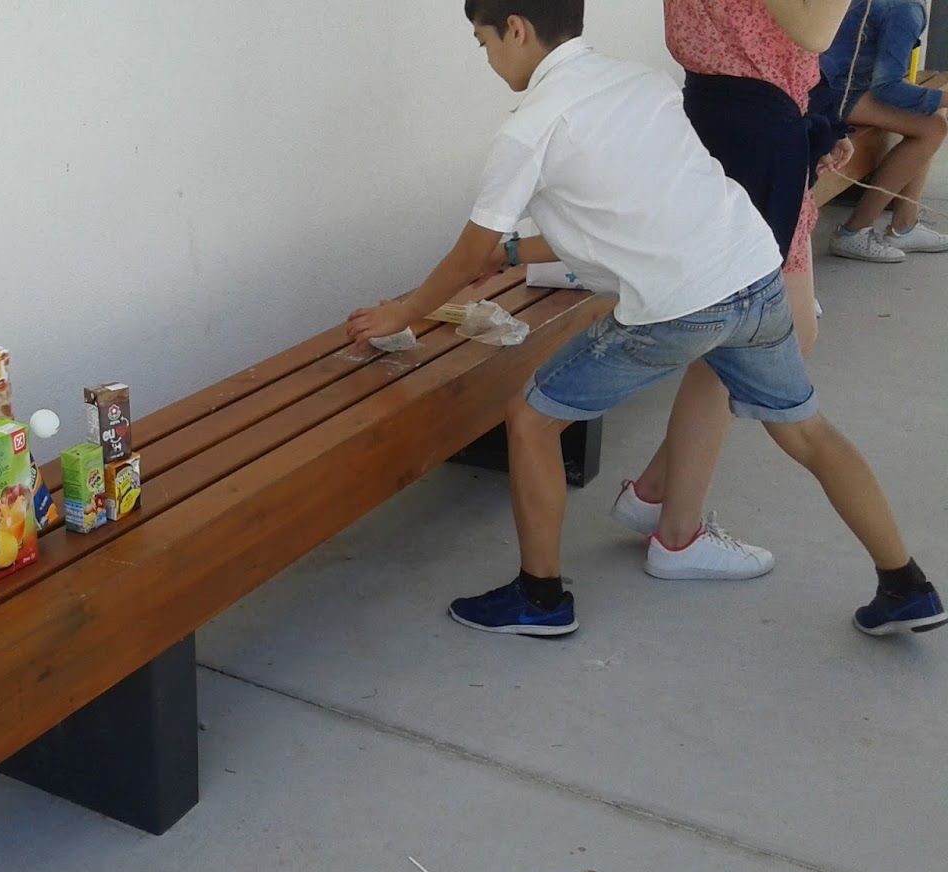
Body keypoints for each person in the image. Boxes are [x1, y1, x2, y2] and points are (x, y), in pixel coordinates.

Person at [344, 0, 945, 639]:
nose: (488, 59)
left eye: (483, 42)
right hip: (753, 274)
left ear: (515, 29)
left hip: (683, 305)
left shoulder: (530, 129)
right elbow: (620, 221)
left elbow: (468, 255)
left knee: (531, 418)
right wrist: (513, 254)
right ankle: (905, 584)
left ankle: (540, 599)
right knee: (808, 432)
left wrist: (403, 311)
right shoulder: (638, 82)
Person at [611, 0, 857, 582]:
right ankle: (677, 535)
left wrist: (815, 113)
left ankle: (655, 494)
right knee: (747, 339)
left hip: (750, 116)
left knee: (782, 331)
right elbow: (815, 30)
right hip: (753, 130)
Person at [819, 0, 948, 260]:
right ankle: (853, 233)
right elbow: (887, 88)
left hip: (837, 85)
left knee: (930, 115)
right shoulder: (905, 8)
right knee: (933, 126)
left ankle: (904, 225)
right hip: (831, 94)